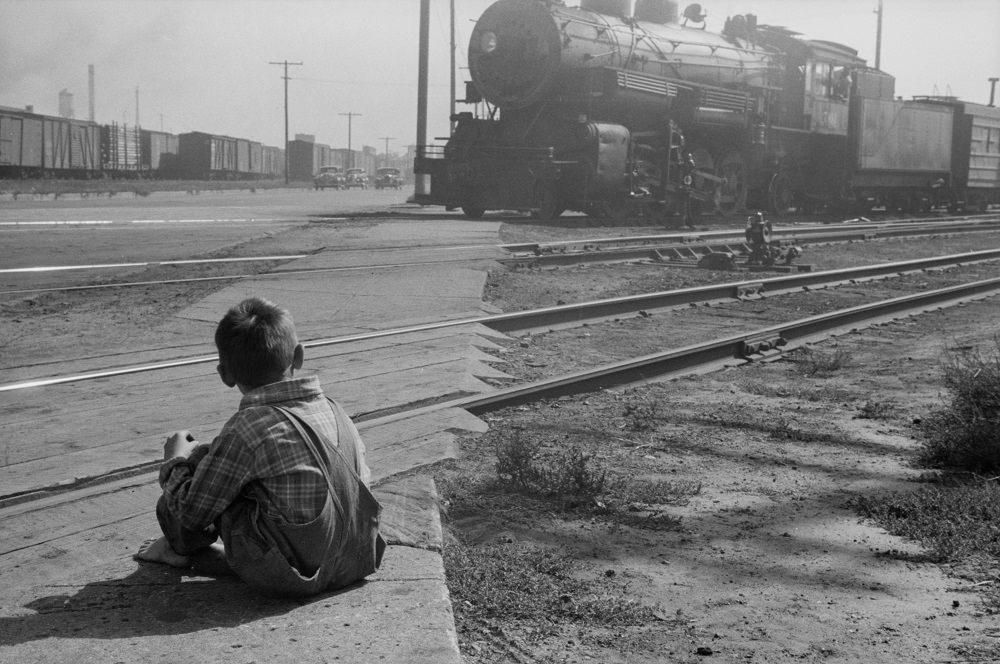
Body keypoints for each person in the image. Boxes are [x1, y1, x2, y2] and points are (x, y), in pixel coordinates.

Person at [135, 297, 385, 597]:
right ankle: (212, 552)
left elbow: (192, 513)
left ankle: (176, 548)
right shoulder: (334, 408)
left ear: (225, 374)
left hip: (295, 577)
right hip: (354, 560)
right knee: (224, 460)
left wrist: (175, 462)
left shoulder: (249, 427)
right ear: (299, 356)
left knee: (197, 473)